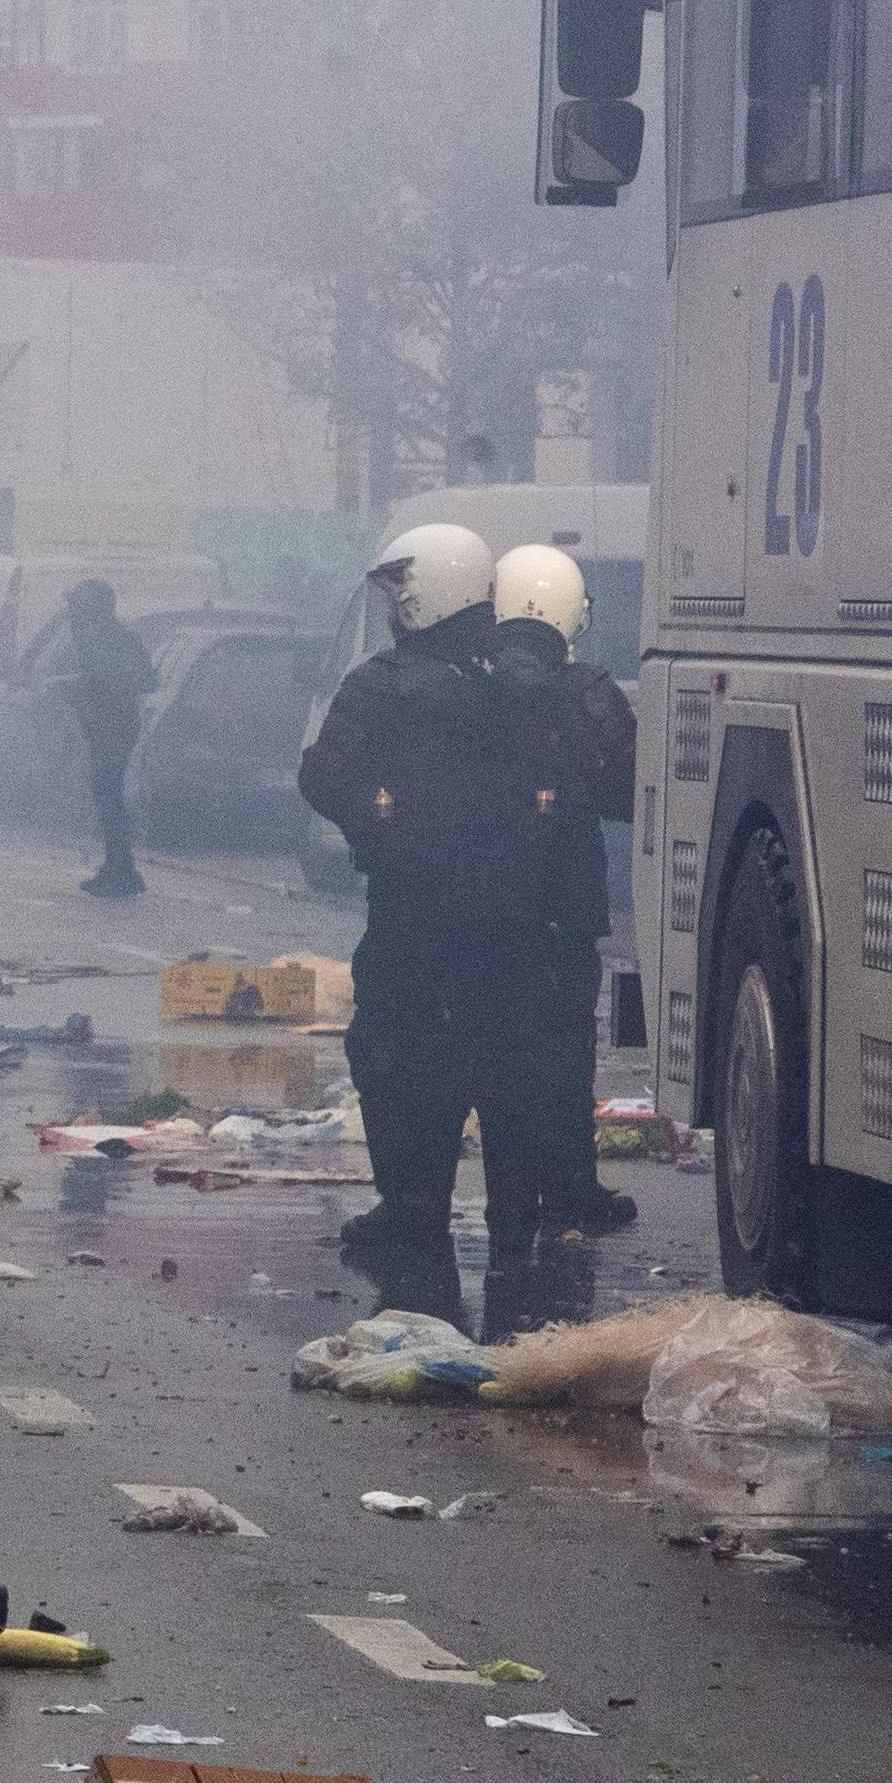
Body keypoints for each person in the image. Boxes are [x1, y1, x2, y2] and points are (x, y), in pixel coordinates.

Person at [295, 522, 514, 1316]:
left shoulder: (382, 684)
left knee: (390, 1050)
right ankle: (518, 1218)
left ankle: (412, 1205)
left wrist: (373, 821)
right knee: (489, 1057)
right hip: (505, 915)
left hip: (410, 906)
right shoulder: (512, 680)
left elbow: (320, 774)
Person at [474, 543, 642, 1258]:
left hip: (478, 902)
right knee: (566, 1045)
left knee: (494, 1048)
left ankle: (507, 1200)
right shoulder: (591, 691)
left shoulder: (463, 686)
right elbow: (628, 791)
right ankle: (572, 1186)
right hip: (562, 902)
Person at [57, 578, 156, 897]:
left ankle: (122, 868)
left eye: (79, 605)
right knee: (107, 796)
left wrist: (84, 686)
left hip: (113, 726)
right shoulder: (113, 636)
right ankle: (118, 865)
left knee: (109, 796)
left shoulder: (107, 639)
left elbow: (138, 680)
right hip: (111, 724)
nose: (73, 612)